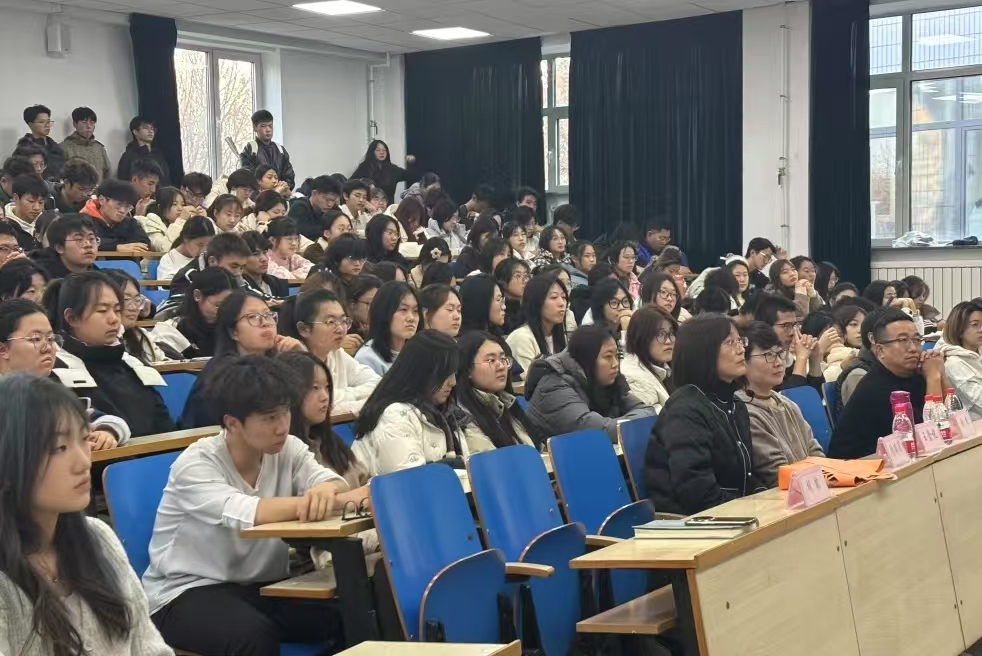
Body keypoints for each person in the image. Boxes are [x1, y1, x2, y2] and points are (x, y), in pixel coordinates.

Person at [144, 356, 350, 655]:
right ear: (233, 423)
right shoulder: (195, 464)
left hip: (259, 585)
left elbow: (332, 482)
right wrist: (316, 501)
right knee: (252, 636)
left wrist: (327, 489)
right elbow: (249, 512)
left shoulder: (288, 448)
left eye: (285, 413)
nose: (282, 427)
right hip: (185, 591)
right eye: (269, 418)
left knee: (346, 614)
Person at [0, 374, 172, 655]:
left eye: (84, 439)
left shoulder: (98, 537)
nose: (83, 462)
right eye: (60, 448)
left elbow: (149, 647)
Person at [644, 314, 764, 515]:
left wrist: (764, 498)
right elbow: (697, 492)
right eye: (730, 342)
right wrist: (754, 510)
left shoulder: (735, 404)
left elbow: (748, 475)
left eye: (740, 340)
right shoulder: (685, 410)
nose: (741, 349)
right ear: (703, 352)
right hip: (693, 522)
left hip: (733, 513)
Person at [44, 272, 174, 436]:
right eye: (102, 310)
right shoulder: (56, 372)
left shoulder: (131, 364)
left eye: (117, 310)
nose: (114, 319)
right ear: (72, 318)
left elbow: (165, 426)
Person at [829, 308, 947, 458]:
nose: (913, 348)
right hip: (860, 467)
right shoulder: (875, 388)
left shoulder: (914, 373)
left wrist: (940, 372)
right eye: (902, 340)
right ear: (880, 350)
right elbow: (928, 436)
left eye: (917, 340)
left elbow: (953, 416)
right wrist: (933, 377)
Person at [277, 352, 372, 531]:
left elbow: (366, 480)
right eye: (314, 388)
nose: (324, 396)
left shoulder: (330, 442)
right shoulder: (282, 450)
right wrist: (354, 498)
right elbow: (306, 506)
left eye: (327, 387)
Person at [352, 329, 466, 474]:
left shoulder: (445, 412)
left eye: (454, 374)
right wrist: (456, 465)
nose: (453, 382)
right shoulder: (394, 415)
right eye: (446, 374)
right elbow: (411, 478)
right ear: (422, 372)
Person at [525, 325, 652, 441]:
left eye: (616, 356)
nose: (615, 364)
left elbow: (647, 411)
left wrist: (639, 422)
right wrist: (639, 423)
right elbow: (601, 432)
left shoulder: (607, 379)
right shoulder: (554, 387)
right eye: (608, 357)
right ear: (587, 359)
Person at [736, 321, 824, 487]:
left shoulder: (786, 403)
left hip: (811, 487)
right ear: (743, 361)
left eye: (780, 353)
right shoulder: (743, 411)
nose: (778, 362)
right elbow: (777, 473)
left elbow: (815, 451)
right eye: (768, 355)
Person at [284, 289, 380, 414]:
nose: (340, 329)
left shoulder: (336, 354)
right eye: (330, 322)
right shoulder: (292, 365)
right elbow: (312, 407)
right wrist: (358, 401)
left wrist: (336, 395)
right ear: (304, 329)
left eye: (343, 321)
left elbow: (378, 384)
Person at [457, 331, 540, 453]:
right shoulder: (464, 417)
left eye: (503, 359)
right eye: (491, 360)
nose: (501, 366)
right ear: (468, 369)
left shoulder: (509, 404)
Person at [152, 267, 236, 359]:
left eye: (229, 306)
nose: (224, 311)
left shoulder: (234, 329)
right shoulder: (170, 333)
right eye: (218, 305)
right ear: (197, 295)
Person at [162, 232, 251, 314]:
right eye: (233, 266)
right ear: (212, 261)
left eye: (242, 267)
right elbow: (174, 312)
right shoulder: (187, 277)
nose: (238, 273)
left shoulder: (237, 278)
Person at [506, 274, 568, 378]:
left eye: (564, 297)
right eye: (554, 297)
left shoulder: (561, 337)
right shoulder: (522, 338)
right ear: (536, 302)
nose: (562, 303)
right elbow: (528, 381)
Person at [354, 281, 422, 375]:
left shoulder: (418, 353)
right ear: (384, 312)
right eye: (403, 309)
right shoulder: (368, 358)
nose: (411, 318)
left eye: (415, 311)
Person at [103, 269, 166, 363]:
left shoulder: (141, 335)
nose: (133, 308)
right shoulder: (97, 342)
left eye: (137, 300)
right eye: (126, 299)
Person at [621, 306, 675, 412]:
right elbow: (657, 419)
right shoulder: (634, 377)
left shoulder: (663, 365)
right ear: (641, 337)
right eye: (660, 334)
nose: (668, 341)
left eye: (671, 333)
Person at [936, 301, 982, 419]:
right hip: (974, 424)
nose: (981, 329)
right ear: (959, 330)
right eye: (975, 325)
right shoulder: (954, 363)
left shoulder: (978, 353)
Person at [82, 179, 150, 255]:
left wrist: (104, 243)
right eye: (118, 204)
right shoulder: (83, 221)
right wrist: (116, 247)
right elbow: (82, 242)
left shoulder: (131, 223)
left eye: (127, 207)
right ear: (102, 200)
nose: (122, 211)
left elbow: (145, 244)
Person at [238, 109, 295, 191]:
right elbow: (246, 176)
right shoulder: (251, 149)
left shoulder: (280, 150)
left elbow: (289, 177)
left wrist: (284, 186)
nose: (268, 130)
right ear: (255, 127)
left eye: (270, 126)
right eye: (263, 126)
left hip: (280, 194)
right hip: (258, 195)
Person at [351, 139, 417, 205]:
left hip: (387, 207)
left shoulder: (393, 169)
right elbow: (351, 183)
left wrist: (411, 164)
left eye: (384, 150)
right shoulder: (365, 167)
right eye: (378, 150)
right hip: (369, 207)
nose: (382, 152)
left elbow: (411, 177)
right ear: (372, 152)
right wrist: (367, 183)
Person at [33, 214, 99, 279]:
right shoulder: (41, 277)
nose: (88, 245)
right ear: (59, 248)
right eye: (79, 239)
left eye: (91, 238)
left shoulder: (98, 275)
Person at [59, 107, 111, 181]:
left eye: (92, 122)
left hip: (99, 188)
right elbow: (59, 176)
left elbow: (107, 173)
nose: (89, 126)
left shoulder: (99, 148)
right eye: (84, 122)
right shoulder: (64, 148)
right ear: (75, 124)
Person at [157, 216, 216, 281]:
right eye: (200, 244)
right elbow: (166, 285)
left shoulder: (210, 259)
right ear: (186, 239)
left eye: (208, 245)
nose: (204, 249)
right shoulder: (169, 259)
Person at [116, 116, 170, 184]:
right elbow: (123, 181)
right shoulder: (128, 156)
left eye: (152, 128)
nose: (150, 131)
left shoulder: (158, 154)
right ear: (135, 132)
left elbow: (166, 178)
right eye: (146, 128)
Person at [17, 104, 65, 179]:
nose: (47, 125)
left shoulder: (56, 147)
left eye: (48, 122)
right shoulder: (24, 148)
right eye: (42, 122)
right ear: (30, 124)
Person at [824, 302, 868, 383]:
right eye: (854, 324)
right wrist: (842, 367)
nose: (860, 330)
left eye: (864, 325)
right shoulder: (838, 355)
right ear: (839, 328)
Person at [139, 186, 189, 252]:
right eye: (174, 204)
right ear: (160, 207)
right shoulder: (151, 221)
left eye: (183, 204)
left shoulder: (185, 222)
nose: (180, 208)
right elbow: (164, 248)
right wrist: (180, 221)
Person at [240, 231, 290, 299]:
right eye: (256, 254)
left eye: (265, 252)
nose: (264, 259)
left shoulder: (279, 284)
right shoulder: (239, 286)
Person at [5, 174, 47, 251]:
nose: (37, 208)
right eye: (31, 201)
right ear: (16, 198)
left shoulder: (47, 223)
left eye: (41, 202)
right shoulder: (4, 225)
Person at [344, 274, 381, 351]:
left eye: (378, 303)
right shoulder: (341, 329)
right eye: (370, 304)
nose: (375, 309)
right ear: (352, 305)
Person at [495, 257, 531, 334]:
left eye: (526, 275)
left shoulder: (531, 306)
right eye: (518, 276)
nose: (525, 280)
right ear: (503, 280)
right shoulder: (499, 310)